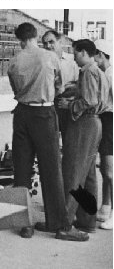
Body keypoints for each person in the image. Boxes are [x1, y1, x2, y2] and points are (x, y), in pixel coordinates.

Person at [8, 22, 88, 241]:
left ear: (20, 40)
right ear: (35, 37)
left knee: (22, 170)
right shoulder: (49, 57)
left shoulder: (14, 61)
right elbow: (59, 87)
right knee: (51, 170)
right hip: (43, 114)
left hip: (22, 115)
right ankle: (60, 224)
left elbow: (15, 90)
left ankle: (25, 224)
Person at [58, 39, 110, 234]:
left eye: (76, 53)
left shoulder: (88, 71)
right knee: (88, 176)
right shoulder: (99, 71)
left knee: (73, 173)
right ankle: (87, 221)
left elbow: (90, 100)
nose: (74, 57)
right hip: (95, 123)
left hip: (85, 124)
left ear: (84, 53)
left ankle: (64, 224)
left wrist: (69, 105)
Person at [42, 30, 80, 142]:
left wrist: (68, 92)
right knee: (49, 142)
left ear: (60, 42)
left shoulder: (72, 62)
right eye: (45, 43)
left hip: (68, 106)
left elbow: (80, 84)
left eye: (51, 42)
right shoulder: (42, 62)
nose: (48, 46)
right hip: (49, 106)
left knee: (69, 142)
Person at [93, 39, 113, 230]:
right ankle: (106, 206)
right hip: (105, 121)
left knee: (109, 171)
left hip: (110, 122)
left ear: (101, 55)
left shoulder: (111, 75)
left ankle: (112, 211)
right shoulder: (104, 73)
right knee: (105, 171)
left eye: (95, 56)